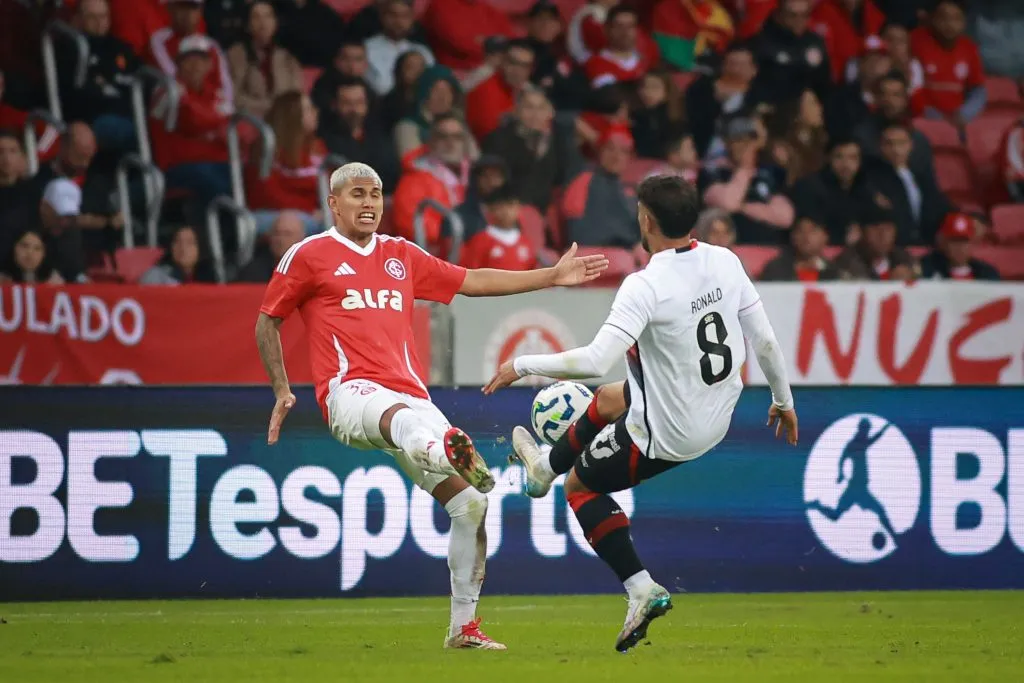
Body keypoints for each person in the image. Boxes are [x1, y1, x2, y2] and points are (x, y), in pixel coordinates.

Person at [254, 161, 609, 650]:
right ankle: (443, 452)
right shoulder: (309, 254)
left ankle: (462, 628)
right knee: (405, 424)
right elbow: (267, 320)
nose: (369, 203)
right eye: (357, 194)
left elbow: (472, 280)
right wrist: (281, 389)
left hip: (410, 395)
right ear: (333, 203)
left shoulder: (400, 254)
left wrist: (550, 275)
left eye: (376, 194)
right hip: (349, 392)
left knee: (471, 504)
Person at [482, 174, 797, 652]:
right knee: (612, 397)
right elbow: (766, 341)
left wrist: (521, 364)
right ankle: (542, 468)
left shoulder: (645, 285)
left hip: (669, 433)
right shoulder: (725, 260)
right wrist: (783, 401)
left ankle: (640, 588)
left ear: (646, 220)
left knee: (580, 487)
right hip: (717, 413)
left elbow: (593, 361)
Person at [701, 115, 795, 245]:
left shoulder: (768, 173)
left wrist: (743, 207)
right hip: (730, 247)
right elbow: (729, 204)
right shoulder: (714, 172)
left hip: (769, 247)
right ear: (727, 143)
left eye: (748, 141)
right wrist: (744, 168)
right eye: (738, 140)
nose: (744, 147)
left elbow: (785, 217)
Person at [65, 0, 140, 153]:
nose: (99, 22)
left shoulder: (121, 47)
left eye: (103, 16)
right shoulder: (70, 48)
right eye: (92, 17)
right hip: (95, 118)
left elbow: (138, 78)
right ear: (78, 19)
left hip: (128, 112)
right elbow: (76, 95)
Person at [247, 92, 324, 236]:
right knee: (289, 224)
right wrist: (309, 209)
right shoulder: (267, 149)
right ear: (292, 116)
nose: (315, 112)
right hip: (270, 213)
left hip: (311, 213)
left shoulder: (317, 147)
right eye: (308, 109)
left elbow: (330, 187)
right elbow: (268, 196)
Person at [864, 121, 950, 245]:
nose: (896, 150)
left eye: (901, 143)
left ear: (910, 145)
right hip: (894, 246)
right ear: (880, 147)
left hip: (926, 244)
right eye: (889, 144)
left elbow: (940, 205)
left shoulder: (921, 177)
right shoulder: (872, 178)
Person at [482, 88, 566, 212]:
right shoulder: (498, 139)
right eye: (529, 107)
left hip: (542, 214)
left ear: (550, 113)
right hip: (506, 211)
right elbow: (491, 183)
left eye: (541, 108)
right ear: (516, 111)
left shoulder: (556, 142)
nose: (535, 115)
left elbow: (559, 179)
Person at [789, 136, 880, 245]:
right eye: (839, 157)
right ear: (828, 158)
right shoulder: (810, 187)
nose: (846, 164)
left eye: (853, 158)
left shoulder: (866, 188)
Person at [912, 0, 986, 127]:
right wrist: (933, 115)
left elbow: (977, 89)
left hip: (956, 117)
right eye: (944, 18)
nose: (950, 24)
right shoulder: (916, 41)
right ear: (933, 19)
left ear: (964, 22)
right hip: (924, 117)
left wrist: (964, 114)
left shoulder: (969, 47)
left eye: (956, 19)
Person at [319, 78, 400, 191]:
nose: (354, 109)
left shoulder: (381, 135)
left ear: (367, 104)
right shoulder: (326, 139)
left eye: (359, 102)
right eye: (347, 103)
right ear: (335, 105)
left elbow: (393, 172)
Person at [226, 1, 303, 118]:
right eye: (256, 17)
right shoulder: (236, 55)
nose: (263, 23)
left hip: (284, 120)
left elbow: (296, 96)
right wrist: (268, 108)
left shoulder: (288, 58)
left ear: (275, 23)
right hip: (251, 119)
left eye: (268, 16)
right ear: (248, 25)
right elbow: (233, 97)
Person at [465, 40, 536, 141]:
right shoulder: (484, 90)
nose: (518, 71)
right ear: (502, 62)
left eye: (525, 66)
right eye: (513, 63)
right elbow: (488, 136)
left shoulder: (529, 91)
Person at [364, 0, 434, 97]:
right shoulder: (366, 49)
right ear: (383, 17)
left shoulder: (423, 52)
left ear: (412, 19)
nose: (398, 21)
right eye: (393, 15)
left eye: (405, 16)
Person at [458, 184, 536, 270]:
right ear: (491, 209)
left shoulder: (526, 242)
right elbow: (469, 272)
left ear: (519, 208)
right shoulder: (480, 241)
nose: (507, 211)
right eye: (501, 206)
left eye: (511, 205)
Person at [832, 203, 918, 280]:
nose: (882, 235)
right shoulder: (846, 263)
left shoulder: (905, 260)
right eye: (875, 228)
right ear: (862, 232)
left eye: (887, 229)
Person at [760, 212, 842, 281]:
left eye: (813, 231)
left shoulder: (836, 272)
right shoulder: (775, 269)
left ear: (825, 236)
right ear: (793, 236)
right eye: (801, 231)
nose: (806, 236)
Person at [919, 211, 1001, 280]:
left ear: (972, 243)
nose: (960, 247)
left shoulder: (986, 273)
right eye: (954, 241)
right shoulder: (926, 269)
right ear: (944, 243)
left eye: (964, 241)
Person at [235, 210, 306, 282]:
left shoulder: (310, 270)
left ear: (301, 238)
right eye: (276, 233)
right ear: (270, 237)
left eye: (287, 234)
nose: (280, 239)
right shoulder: (252, 272)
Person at [139, 224, 218, 284]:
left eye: (190, 242)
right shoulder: (155, 277)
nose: (183, 247)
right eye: (177, 241)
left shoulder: (214, 277)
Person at [0, 228, 64, 284]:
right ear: (14, 248)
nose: (30, 253)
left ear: (44, 254)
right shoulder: (2, 279)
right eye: (24, 246)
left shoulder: (54, 280)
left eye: (37, 248)